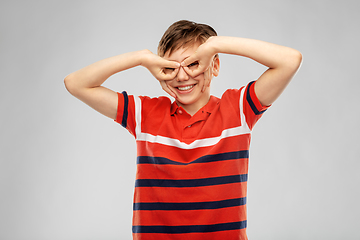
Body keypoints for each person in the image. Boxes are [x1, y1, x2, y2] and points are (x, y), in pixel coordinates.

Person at [64, 20, 302, 240]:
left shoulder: (237, 110)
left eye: (193, 64)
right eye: (170, 68)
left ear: (214, 65)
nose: (182, 75)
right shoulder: (145, 114)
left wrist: (216, 44)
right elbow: (76, 83)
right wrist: (140, 58)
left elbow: (290, 60)